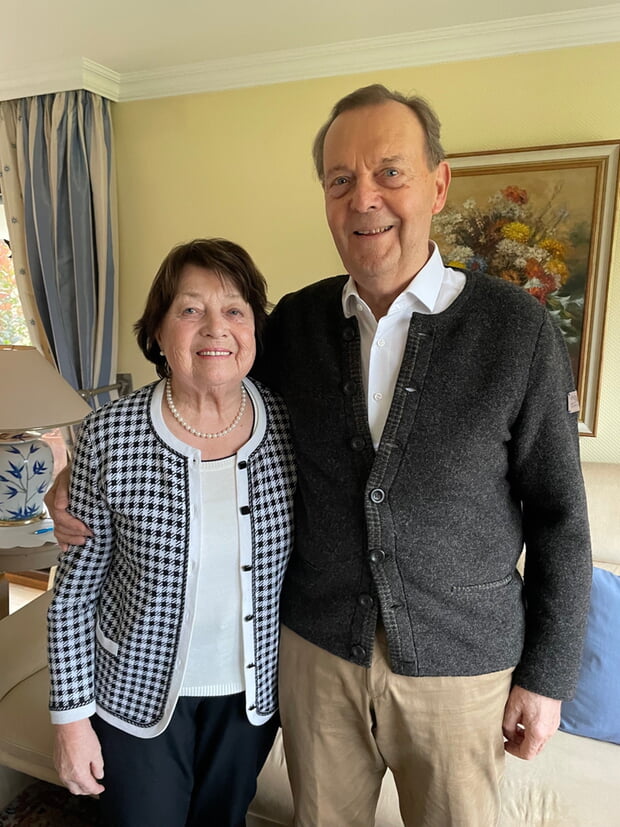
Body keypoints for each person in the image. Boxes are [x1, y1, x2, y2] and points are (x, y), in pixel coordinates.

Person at [49, 85, 592, 827]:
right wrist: (82, 471)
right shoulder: (297, 325)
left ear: (438, 183)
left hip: (461, 669)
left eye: (389, 172)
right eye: (341, 180)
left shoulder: (517, 332)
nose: (364, 197)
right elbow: (203, 380)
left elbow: (561, 514)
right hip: (315, 658)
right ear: (327, 199)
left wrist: (548, 674)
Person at [46, 238, 296, 827]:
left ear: (254, 329)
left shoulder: (289, 424)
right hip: (132, 694)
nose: (216, 328)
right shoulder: (108, 435)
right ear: (158, 332)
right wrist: (71, 720)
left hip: (251, 703)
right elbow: (75, 593)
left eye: (235, 310)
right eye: (189, 310)